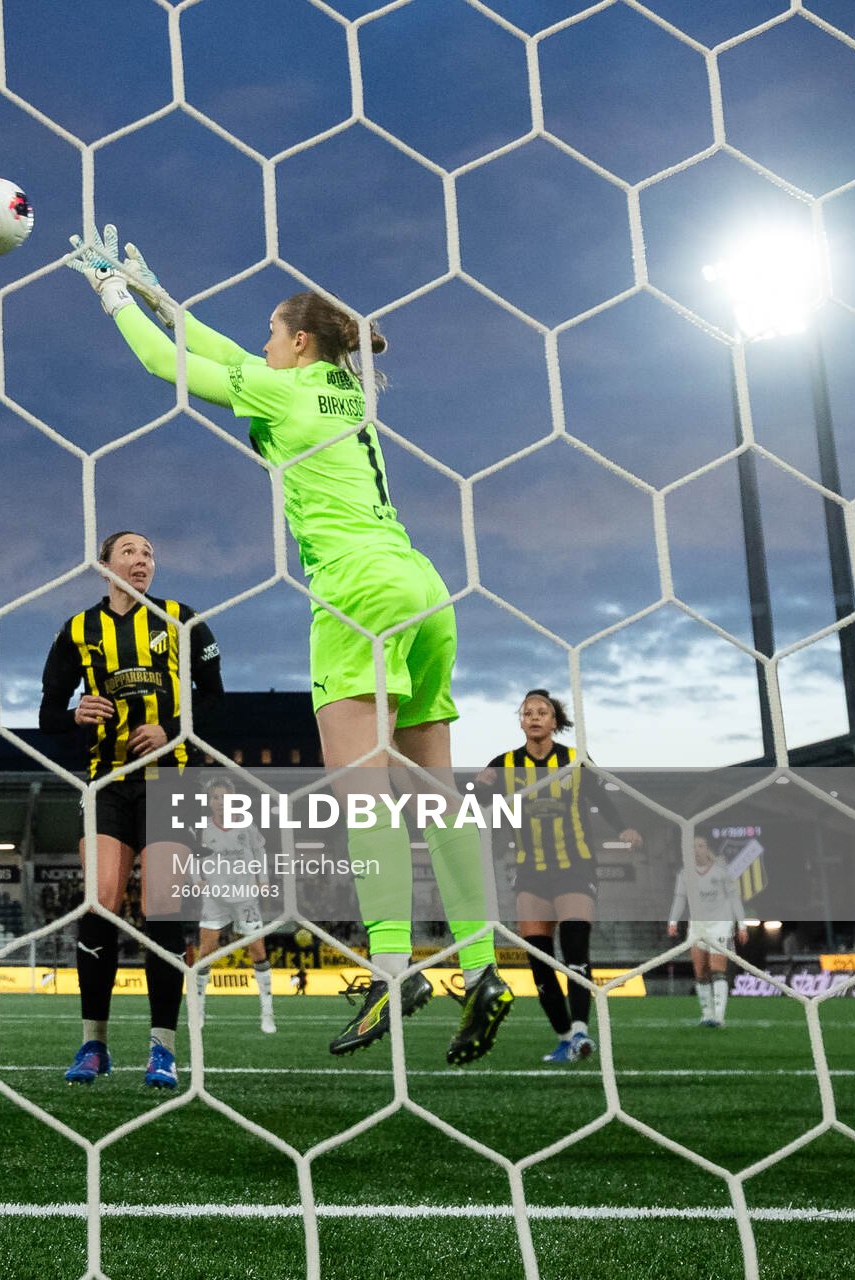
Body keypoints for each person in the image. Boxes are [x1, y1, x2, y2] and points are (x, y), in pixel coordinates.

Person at [68, 229, 511, 1066]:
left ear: (300, 343)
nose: (263, 345)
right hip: (423, 585)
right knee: (435, 794)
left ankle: (390, 971)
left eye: (273, 333)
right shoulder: (347, 391)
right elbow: (229, 351)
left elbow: (171, 370)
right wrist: (164, 295)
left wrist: (115, 300)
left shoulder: (288, 394)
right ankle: (483, 966)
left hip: (354, 590)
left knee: (366, 795)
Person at [39, 530, 223, 1091]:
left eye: (148, 554)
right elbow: (48, 711)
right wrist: (75, 714)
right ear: (105, 566)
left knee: (164, 907)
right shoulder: (77, 629)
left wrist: (170, 729)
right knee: (99, 904)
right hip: (105, 782)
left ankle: (162, 1050)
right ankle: (94, 1044)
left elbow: (214, 698)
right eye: (130, 553)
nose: (142, 560)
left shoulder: (183, 619)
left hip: (173, 778)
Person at [482, 690, 640, 1064]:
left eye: (543, 712)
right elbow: (473, 798)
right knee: (539, 960)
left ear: (555, 721)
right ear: (521, 721)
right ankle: (566, 1036)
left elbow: (602, 799)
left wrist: (623, 829)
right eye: (528, 712)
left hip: (575, 865)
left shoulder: (574, 761)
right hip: (530, 870)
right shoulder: (504, 763)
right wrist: (476, 783)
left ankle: (582, 1029)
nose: (535, 717)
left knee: (575, 949)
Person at [191, 782, 278, 1035]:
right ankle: (198, 1012)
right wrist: (197, 880)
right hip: (214, 898)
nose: (220, 801)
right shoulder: (202, 829)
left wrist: (263, 880)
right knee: (206, 950)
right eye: (216, 797)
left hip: (246, 897)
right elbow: (192, 857)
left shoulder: (246, 826)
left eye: (225, 797)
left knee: (257, 950)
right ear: (209, 802)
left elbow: (260, 853)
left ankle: (267, 1012)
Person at [668, 835, 746, 1028]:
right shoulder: (685, 874)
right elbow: (680, 898)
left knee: (717, 969)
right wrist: (673, 921)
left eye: (700, 846)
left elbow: (735, 898)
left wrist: (742, 925)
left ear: (707, 849)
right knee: (701, 971)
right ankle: (707, 1014)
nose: (696, 850)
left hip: (721, 924)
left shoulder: (721, 872)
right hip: (698, 926)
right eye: (692, 847)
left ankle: (719, 1017)